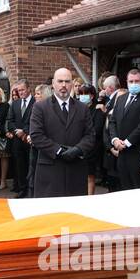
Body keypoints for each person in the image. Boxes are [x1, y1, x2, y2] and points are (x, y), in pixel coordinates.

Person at [29, 68, 95, 197]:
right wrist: (59, 151)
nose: (63, 85)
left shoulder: (82, 108)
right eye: (60, 81)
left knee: (74, 214)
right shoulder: (40, 107)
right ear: (53, 84)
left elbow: (90, 135)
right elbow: (36, 136)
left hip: (76, 170)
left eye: (67, 81)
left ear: (72, 84)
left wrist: (77, 150)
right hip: (50, 170)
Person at [108, 68, 140, 190]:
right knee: (124, 188)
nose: (134, 84)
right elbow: (112, 121)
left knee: (138, 189)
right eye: (131, 81)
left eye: (137, 81)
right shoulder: (121, 99)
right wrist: (114, 140)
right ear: (127, 82)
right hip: (121, 154)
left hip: (137, 154)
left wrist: (126, 142)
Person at [6, 79, 33, 197]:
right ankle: (22, 190)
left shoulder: (36, 102)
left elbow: (35, 120)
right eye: (18, 90)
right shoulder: (15, 103)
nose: (20, 92)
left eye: (22, 90)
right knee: (20, 167)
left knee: (30, 166)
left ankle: (31, 191)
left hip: (30, 140)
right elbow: (10, 120)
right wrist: (16, 131)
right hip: (17, 141)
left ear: (28, 89)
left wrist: (25, 132)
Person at [76, 81, 102, 195]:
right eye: (80, 94)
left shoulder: (97, 110)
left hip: (91, 148)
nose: (82, 96)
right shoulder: (77, 109)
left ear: (92, 95)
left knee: (89, 176)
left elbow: (97, 129)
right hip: (77, 147)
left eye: (85, 94)